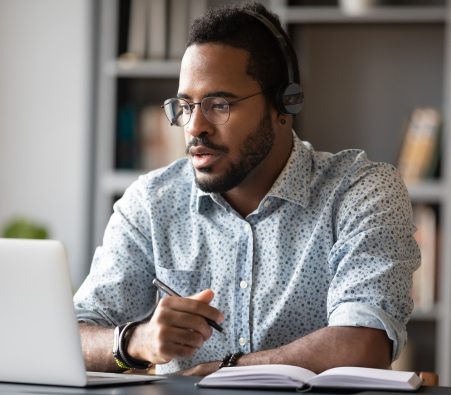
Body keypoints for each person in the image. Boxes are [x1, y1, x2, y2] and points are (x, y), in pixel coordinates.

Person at [74, 2, 420, 376]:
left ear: (284, 104)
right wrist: (135, 341)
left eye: (218, 104)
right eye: (185, 106)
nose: (194, 127)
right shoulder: (152, 202)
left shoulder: (361, 191)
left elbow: (363, 346)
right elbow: (71, 337)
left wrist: (227, 370)